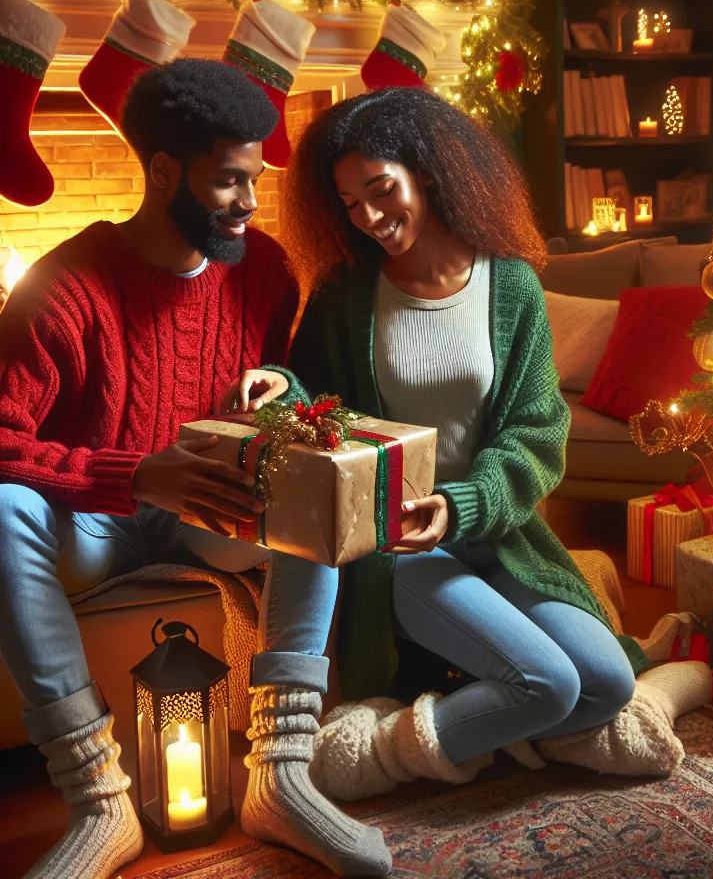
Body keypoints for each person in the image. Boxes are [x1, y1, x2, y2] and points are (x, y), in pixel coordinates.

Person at [0, 60, 391, 879]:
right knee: (3, 510)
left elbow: (290, 391)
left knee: (317, 475)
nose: (250, 202)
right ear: (164, 171)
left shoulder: (266, 272)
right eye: (229, 182)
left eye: (254, 179)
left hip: (210, 518)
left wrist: (284, 389)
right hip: (95, 527)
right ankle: (101, 804)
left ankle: (280, 778)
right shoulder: (64, 286)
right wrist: (138, 477)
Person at [238, 86, 677, 796]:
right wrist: (278, 387)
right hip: (397, 547)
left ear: (431, 172)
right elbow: (315, 393)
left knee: (605, 683)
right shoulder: (346, 292)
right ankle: (370, 762)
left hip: (495, 531)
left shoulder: (512, 285)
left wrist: (464, 503)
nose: (370, 218)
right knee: (548, 684)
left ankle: (434, 728)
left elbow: (537, 433)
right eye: (350, 203)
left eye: (382, 190)